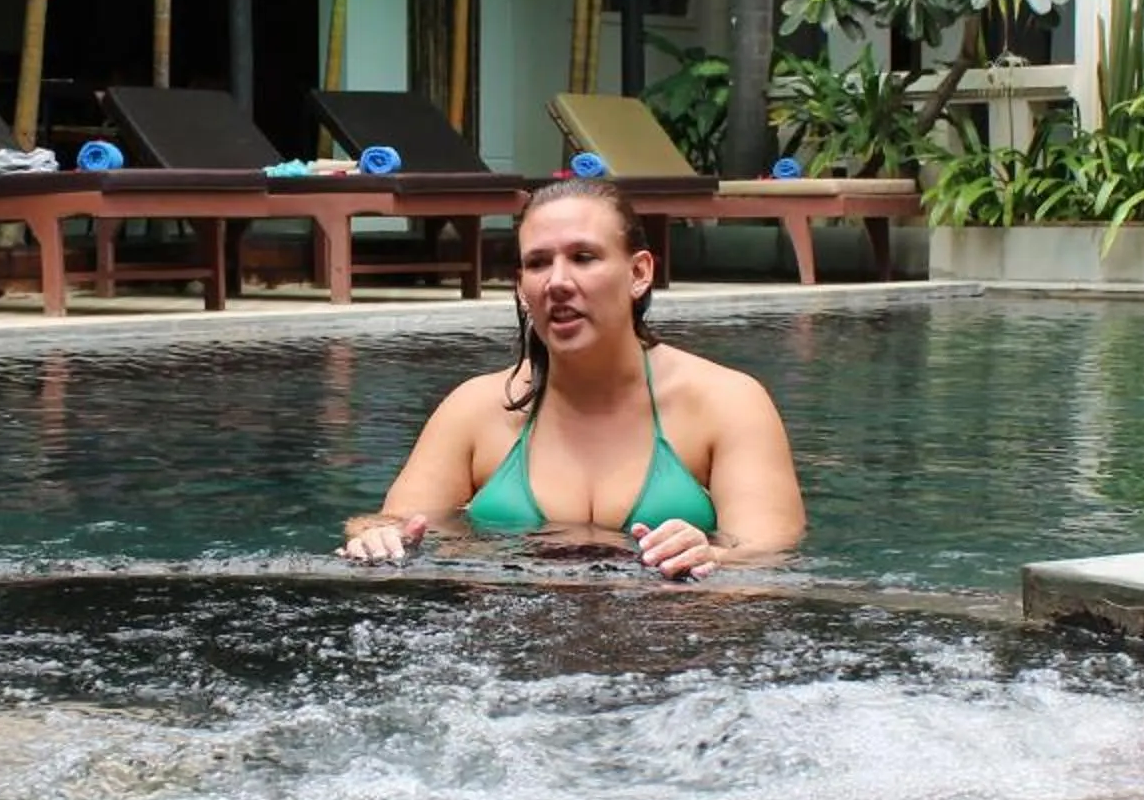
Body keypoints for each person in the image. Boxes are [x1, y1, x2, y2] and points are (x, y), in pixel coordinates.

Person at [340, 178, 806, 578]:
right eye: (539, 263)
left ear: (639, 272)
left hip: (669, 659)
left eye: (583, 257)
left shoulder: (726, 403)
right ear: (522, 286)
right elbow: (383, 524)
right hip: (507, 661)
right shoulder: (475, 409)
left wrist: (715, 558)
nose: (557, 282)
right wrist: (377, 538)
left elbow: (770, 559)